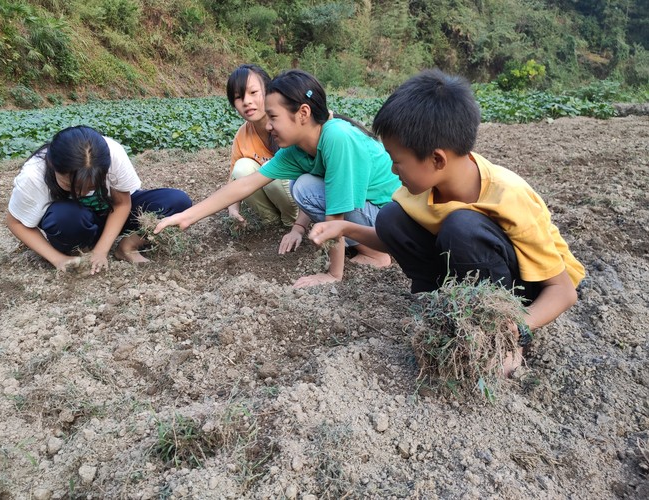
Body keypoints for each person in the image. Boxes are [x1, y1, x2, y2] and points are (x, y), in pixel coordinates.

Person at [308, 69, 585, 373]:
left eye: (396, 160)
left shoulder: (509, 196)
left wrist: (518, 326)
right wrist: (345, 228)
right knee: (391, 217)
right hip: (471, 267)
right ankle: (440, 307)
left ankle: (501, 341)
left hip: (527, 293)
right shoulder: (421, 190)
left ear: (437, 159)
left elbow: (563, 291)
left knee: (462, 227)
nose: (392, 168)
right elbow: (393, 240)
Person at [156, 69, 401, 288]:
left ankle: (376, 255)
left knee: (306, 187)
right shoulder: (296, 151)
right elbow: (245, 184)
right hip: (369, 215)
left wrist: (333, 274)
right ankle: (362, 248)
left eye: (273, 117)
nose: (269, 126)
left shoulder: (337, 137)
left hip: (392, 218)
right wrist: (188, 216)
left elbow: (335, 212)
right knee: (302, 185)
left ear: (303, 113)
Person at [6, 125, 192, 274]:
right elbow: (15, 223)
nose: (82, 193)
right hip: (77, 226)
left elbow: (122, 203)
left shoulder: (112, 154)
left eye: (92, 186)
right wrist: (57, 259)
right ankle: (82, 248)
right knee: (65, 218)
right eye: (74, 187)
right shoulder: (33, 175)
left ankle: (128, 245)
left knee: (178, 202)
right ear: (53, 165)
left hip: (112, 215)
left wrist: (102, 250)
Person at [226, 64, 298, 227]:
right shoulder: (242, 134)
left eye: (253, 92)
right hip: (273, 191)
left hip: (299, 200)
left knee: (271, 167)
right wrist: (233, 209)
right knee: (241, 167)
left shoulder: (289, 123)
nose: (246, 102)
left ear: (268, 91)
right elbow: (234, 179)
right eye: (238, 97)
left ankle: (291, 222)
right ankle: (270, 222)